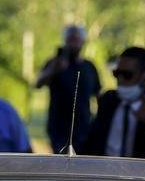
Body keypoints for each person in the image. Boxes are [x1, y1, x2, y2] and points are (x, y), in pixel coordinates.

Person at [81, 46, 145, 160]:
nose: (120, 80)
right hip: (105, 171)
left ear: (144, 76)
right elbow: (92, 139)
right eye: (117, 73)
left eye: (127, 75)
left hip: (141, 173)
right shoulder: (108, 99)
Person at [35, 24, 100, 154]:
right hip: (58, 128)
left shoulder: (89, 67)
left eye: (76, 40)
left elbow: (98, 94)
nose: (73, 44)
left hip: (84, 127)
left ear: (83, 41)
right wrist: (54, 69)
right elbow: (39, 83)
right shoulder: (55, 63)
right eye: (70, 40)